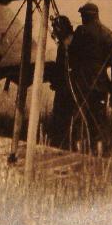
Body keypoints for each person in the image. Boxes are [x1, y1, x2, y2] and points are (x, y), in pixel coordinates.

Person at [69, 2, 112, 154]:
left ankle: (77, 157)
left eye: (82, 16)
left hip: (81, 87)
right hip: (101, 88)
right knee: (98, 126)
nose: (81, 19)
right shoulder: (111, 36)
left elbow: (72, 57)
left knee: (79, 124)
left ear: (87, 16)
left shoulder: (81, 32)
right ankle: (98, 159)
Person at [47, 15, 77, 149]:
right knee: (71, 119)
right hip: (73, 88)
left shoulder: (64, 45)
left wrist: (56, 81)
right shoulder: (73, 41)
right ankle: (68, 144)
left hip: (65, 89)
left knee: (60, 118)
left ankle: (60, 144)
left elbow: (61, 67)